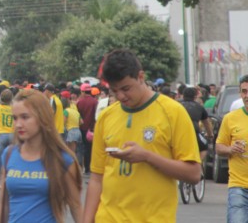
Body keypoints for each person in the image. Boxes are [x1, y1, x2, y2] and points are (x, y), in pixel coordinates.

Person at [83, 49, 201, 223]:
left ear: (140, 76)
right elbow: (96, 178)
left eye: (126, 88)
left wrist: (147, 156)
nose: (121, 96)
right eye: (115, 91)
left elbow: (193, 174)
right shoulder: (106, 117)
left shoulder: (172, 112)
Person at [0, 89, 82, 223]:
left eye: (25, 117)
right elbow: (3, 204)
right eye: (15, 118)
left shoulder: (62, 159)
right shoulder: (9, 154)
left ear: (42, 117)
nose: (18, 124)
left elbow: (76, 207)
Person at [215, 75, 248, 223]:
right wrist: (230, 149)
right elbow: (219, 147)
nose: (247, 95)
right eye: (244, 91)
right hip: (238, 186)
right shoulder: (230, 118)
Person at [181, 87, 213, 162]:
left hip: (177, 133)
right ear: (195, 97)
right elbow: (207, 124)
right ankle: (198, 163)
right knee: (204, 146)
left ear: (183, 96)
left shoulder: (176, 105)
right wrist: (210, 134)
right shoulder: (199, 107)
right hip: (194, 132)